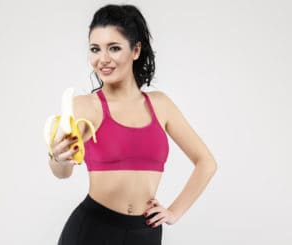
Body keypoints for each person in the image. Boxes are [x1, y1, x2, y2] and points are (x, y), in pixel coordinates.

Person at [48, 4, 217, 245]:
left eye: (114, 48)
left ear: (136, 50)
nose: (103, 59)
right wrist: (58, 158)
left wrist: (174, 212)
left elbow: (206, 162)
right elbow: (63, 172)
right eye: (95, 49)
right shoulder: (85, 106)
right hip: (93, 231)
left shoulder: (161, 105)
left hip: (145, 233)